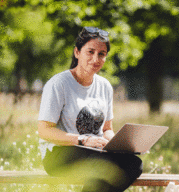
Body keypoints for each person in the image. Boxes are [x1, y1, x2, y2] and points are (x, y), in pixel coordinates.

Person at [37, 27, 143, 192]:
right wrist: (83, 140)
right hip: (60, 154)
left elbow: (107, 129)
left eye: (101, 54)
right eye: (90, 52)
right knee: (105, 165)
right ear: (77, 52)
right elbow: (44, 131)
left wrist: (117, 145)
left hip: (95, 152)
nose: (95, 59)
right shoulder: (58, 84)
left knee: (134, 163)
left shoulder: (105, 86)